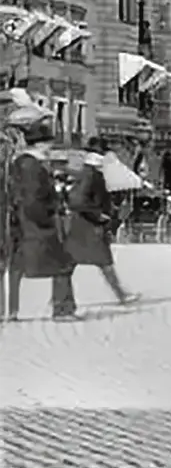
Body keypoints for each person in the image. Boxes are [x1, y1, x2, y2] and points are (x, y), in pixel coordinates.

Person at [7, 117, 77, 321]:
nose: (51, 147)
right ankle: (63, 308)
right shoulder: (32, 166)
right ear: (40, 143)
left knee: (17, 266)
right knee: (63, 262)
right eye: (48, 143)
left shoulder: (20, 163)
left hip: (21, 221)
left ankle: (11, 310)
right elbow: (33, 196)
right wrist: (48, 215)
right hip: (37, 222)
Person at [64, 138, 137, 307]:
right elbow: (77, 199)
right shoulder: (92, 174)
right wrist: (98, 215)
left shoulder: (88, 172)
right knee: (103, 261)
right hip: (89, 225)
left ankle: (61, 299)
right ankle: (121, 295)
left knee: (71, 263)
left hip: (82, 224)